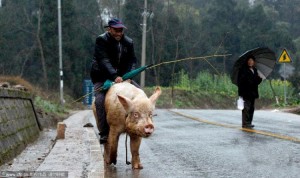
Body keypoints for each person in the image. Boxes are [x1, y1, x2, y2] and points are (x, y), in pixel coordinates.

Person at [90, 18, 139, 144]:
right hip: (102, 77)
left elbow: (132, 61)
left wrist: (128, 76)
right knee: (100, 101)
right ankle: (104, 132)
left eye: (121, 30)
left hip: (123, 78)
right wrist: (114, 76)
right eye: (116, 30)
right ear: (109, 29)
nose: (119, 33)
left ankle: (140, 125)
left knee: (140, 94)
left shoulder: (129, 42)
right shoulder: (101, 40)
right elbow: (103, 61)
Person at [237, 55, 262, 128]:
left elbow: (256, 82)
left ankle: (249, 122)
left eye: (252, 60)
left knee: (251, 108)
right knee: (246, 108)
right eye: (249, 60)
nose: (250, 62)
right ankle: (245, 123)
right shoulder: (243, 70)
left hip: (253, 92)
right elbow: (240, 81)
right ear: (247, 61)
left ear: (254, 62)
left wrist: (259, 78)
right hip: (245, 92)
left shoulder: (255, 70)